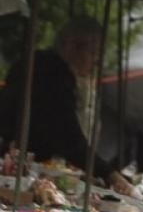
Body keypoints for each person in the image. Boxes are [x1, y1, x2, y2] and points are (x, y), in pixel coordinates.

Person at [0, 14, 135, 193]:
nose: (97, 61)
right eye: (94, 52)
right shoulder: (55, 76)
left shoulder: (33, 62)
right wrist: (108, 172)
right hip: (18, 168)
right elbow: (69, 136)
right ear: (71, 45)